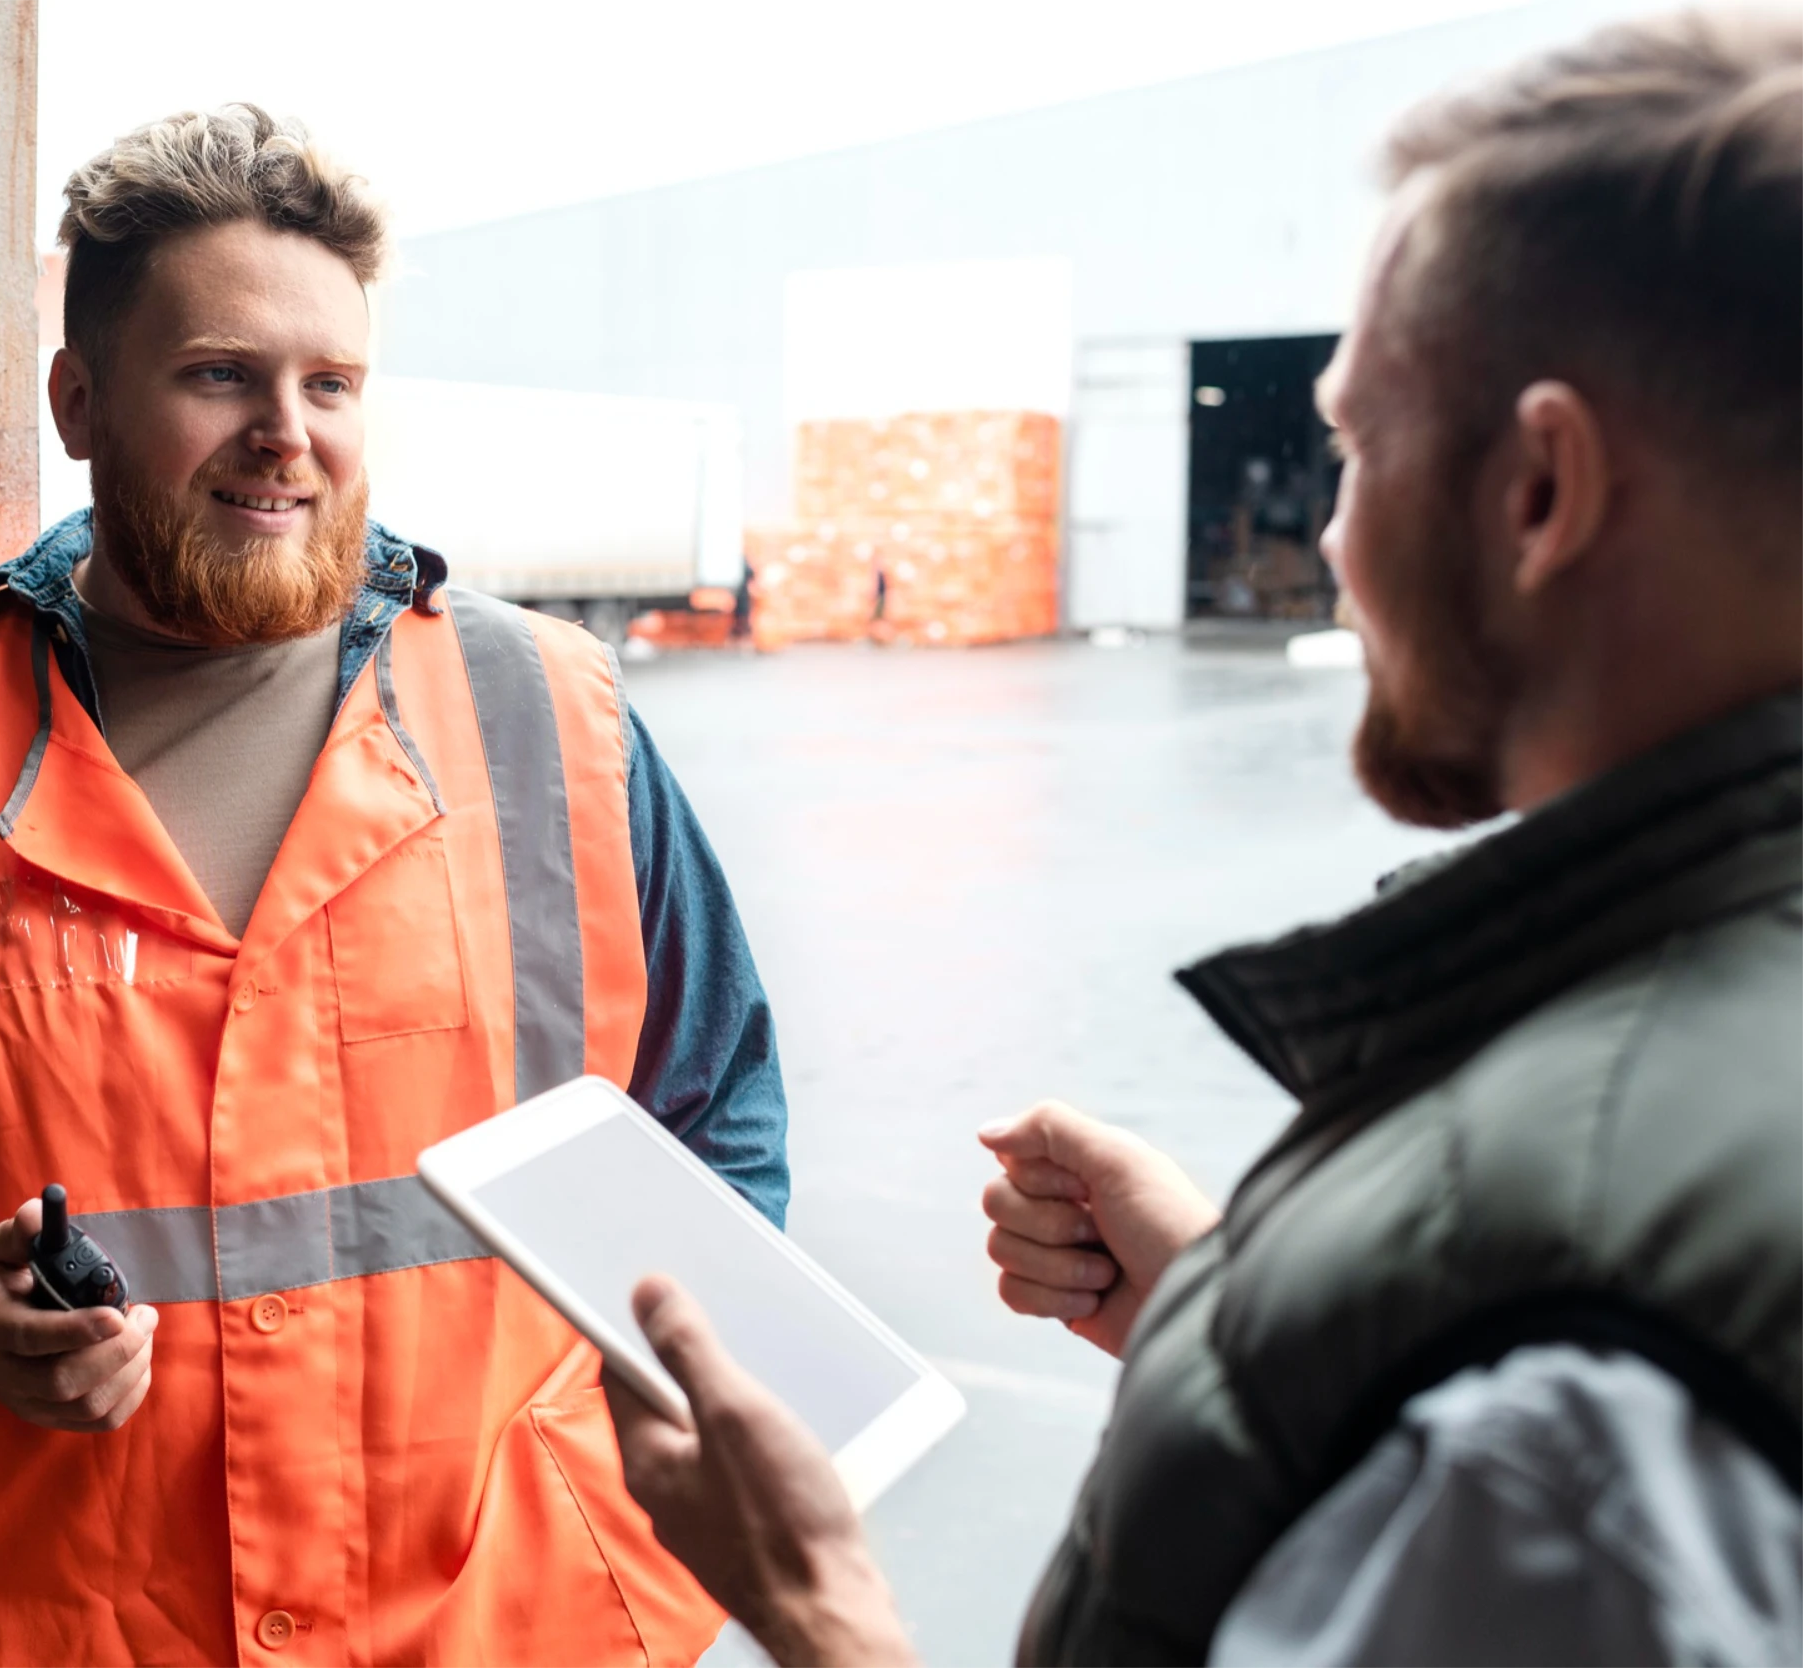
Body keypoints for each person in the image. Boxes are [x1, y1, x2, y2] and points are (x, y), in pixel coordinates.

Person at [605, 16, 1803, 1666]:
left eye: (1355, 445)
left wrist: (816, 1607)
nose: (1324, 531)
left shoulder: (1578, 1390)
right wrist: (1240, 1310)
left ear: (1541, 489)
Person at [0, 106, 786, 1666]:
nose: (286, 432)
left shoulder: (552, 716)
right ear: (80, 400)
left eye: (332, 383)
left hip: (510, 1629)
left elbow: (718, 1143)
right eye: (222, 373)